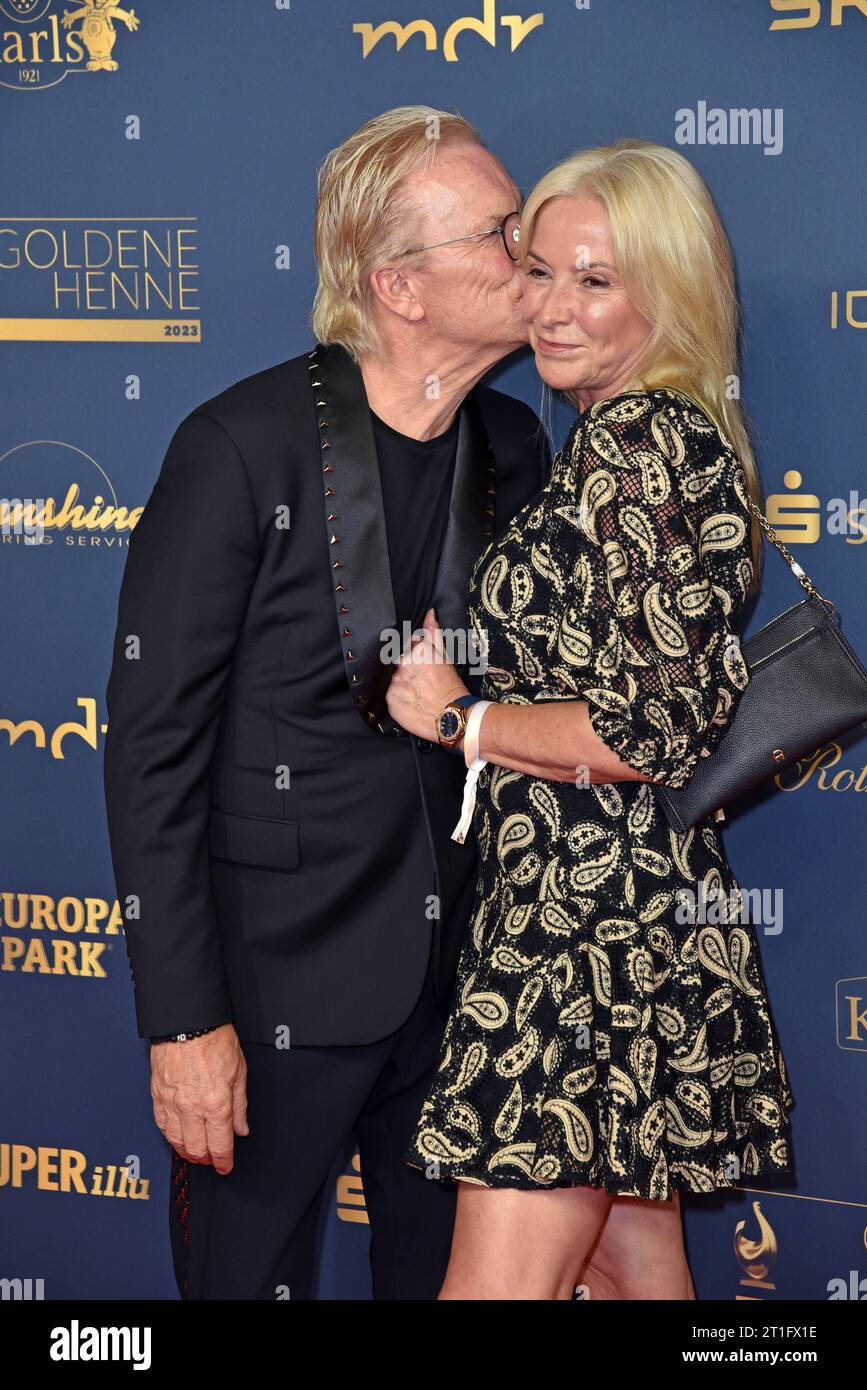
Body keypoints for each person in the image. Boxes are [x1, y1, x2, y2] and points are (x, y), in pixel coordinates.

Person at [102, 105, 550, 1300]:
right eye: (501, 232)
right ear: (399, 285)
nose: (533, 248)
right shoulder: (240, 447)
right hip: (267, 999)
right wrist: (184, 1022)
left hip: (462, 992)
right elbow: (151, 750)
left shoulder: (516, 444)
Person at [391, 138, 796, 1301]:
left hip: (583, 940)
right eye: (541, 272)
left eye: (595, 281)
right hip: (625, 916)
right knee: (629, 1262)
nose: (551, 311)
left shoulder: (640, 446)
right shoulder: (649, 435)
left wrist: (461, 716)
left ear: (666, 294)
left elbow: (646, 734)